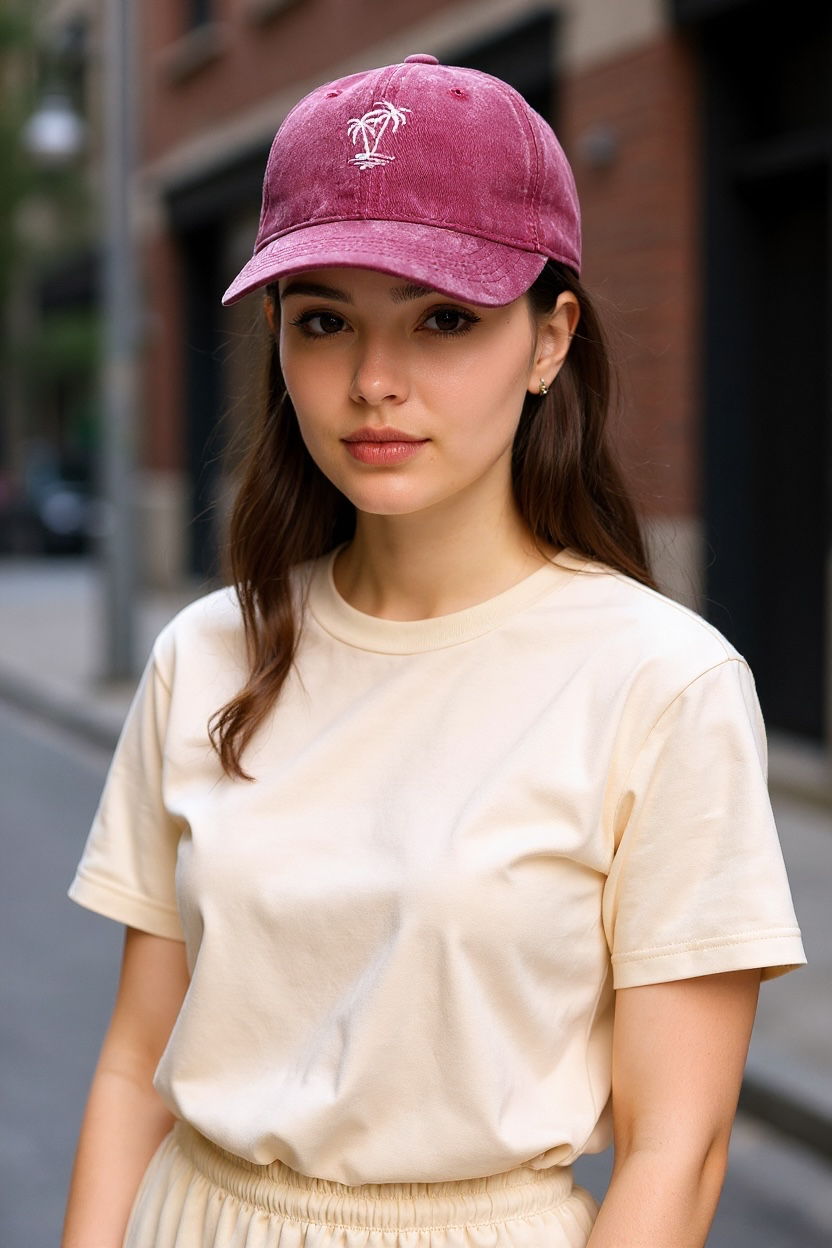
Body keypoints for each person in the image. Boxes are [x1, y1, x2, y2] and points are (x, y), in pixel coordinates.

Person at [62, 54, 805, 1248]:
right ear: (279, 341)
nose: (373, 382)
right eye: (325, 322)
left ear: (551, 339)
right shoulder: (206, 654)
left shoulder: (661, 682)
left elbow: (679, 1147)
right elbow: (132, 1064)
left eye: (445, 319)